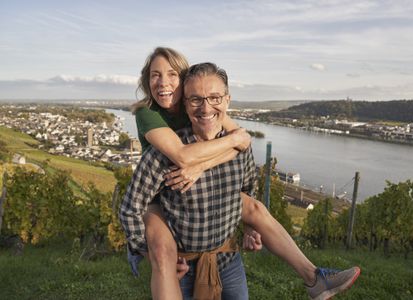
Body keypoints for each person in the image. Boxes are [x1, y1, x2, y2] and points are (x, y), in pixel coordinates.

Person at [121, 47, 360, 300]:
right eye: (155, 75)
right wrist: (143, 249)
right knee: (162, 252)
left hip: (223, 249)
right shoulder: (149, 115)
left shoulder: (201, 101)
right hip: (156, 199)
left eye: (171, 75)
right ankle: (150, 258)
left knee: (255, 209)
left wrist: (246, 224)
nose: (163, 83)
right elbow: (181, 156)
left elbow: (240, 142)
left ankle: (314, 277)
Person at [121, 62, 258, 299]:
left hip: (228, 261)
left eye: (215, 98)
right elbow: (130, 208)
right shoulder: (163, 153)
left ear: (227, 100)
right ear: (185, 104)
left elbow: (249, 186)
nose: (206, 108)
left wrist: (249, 228)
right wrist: (148, 252)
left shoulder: (238, 146)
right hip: (182, 269)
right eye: (196, 100)